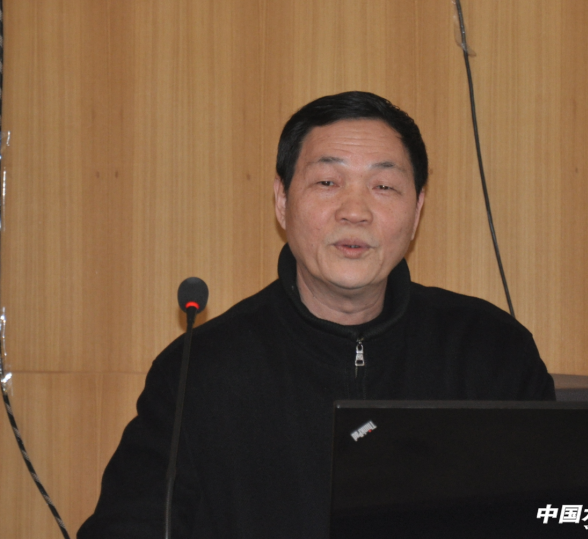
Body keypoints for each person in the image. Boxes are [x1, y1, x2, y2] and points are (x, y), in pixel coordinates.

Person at [78, 91, 554, 538]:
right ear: (282, 201)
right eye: (327, 182)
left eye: (384, 186)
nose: (355, 211)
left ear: (417, 211)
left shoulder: (492, 352)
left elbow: (553, 515)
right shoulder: (198, 370)